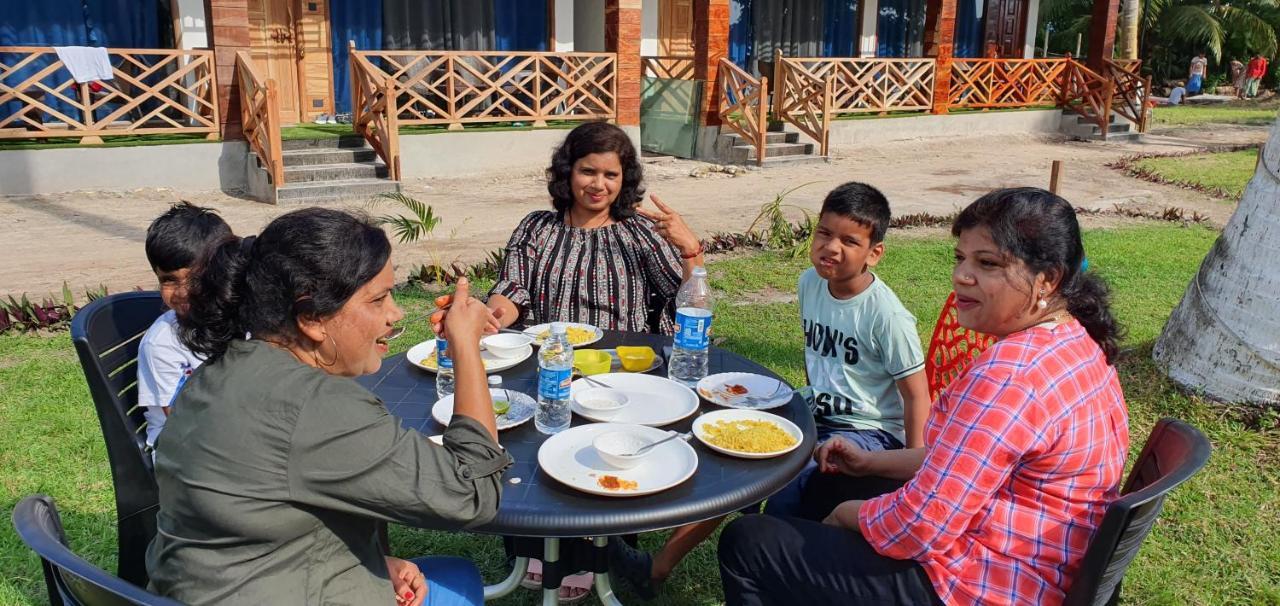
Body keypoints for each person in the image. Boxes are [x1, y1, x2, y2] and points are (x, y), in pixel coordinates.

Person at [718, 187, 1131, 606]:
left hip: (985, 582)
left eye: (987, 263)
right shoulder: (1078, 342)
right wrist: (870, 463)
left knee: (749, 541)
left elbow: (920, 526)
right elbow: (970, 459)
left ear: (1048, 279)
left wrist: (850, 515)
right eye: (960, 258)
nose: (962, 276)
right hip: (1038, 559)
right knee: (828, 484)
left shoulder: (1012, 374)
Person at [146, 208, 511, 606]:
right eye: (378, 299)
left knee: (455, 573)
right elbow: (472, 492)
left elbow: (247, 513)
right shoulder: (316, 408)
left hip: (214, 585)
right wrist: (465, 344)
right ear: (313, 318)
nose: (396, 313)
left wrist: (367, 562)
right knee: (459, 584)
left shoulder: (218, 371)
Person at [608, 182, 932, 599]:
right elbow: (823, 363)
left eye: (849, 241)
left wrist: (913, 468)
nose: (831, 247)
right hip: (816, 409)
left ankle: (776, 568)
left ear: (874, 253)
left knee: (782, 492)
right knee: (731, 448)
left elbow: (916, 394)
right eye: (824, 233)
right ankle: (657, 566)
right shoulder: (809, 284)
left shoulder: (887, 315)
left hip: (867, 429)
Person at [486, 121, 704, 335]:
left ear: (624, 179)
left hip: (621, 363)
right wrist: (491, 318)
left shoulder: (642, 232)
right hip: (555, 360)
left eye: (611, 175)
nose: (599, 185)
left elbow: (692, 308)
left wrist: (691, 250)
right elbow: (513, 287)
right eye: (588, 171)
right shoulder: (537, 227)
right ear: (568, 171)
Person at [137, 202, 232, 456]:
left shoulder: (238, 316)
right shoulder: (163, 343)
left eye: (195, 278)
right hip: (183, 453)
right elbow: (184, 422)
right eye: (168, 280)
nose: (182, 292)